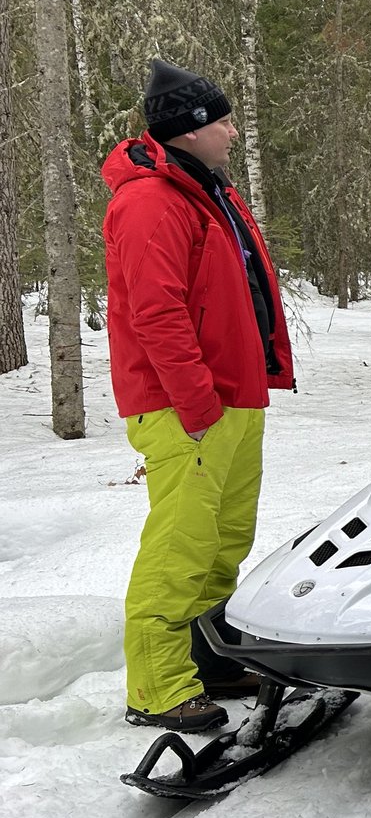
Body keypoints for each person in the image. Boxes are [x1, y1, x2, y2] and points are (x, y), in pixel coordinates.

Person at [102, 59, 295, 733]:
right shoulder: (150, 201)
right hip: (187, 406)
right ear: (188, 130)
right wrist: (198, 406)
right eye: (223, 121)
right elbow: (157, 315)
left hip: (231, 398)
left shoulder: (207, 190)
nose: (234, 133)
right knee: (180, 546)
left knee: (222, 542)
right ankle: (157, 687)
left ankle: (207, 659)